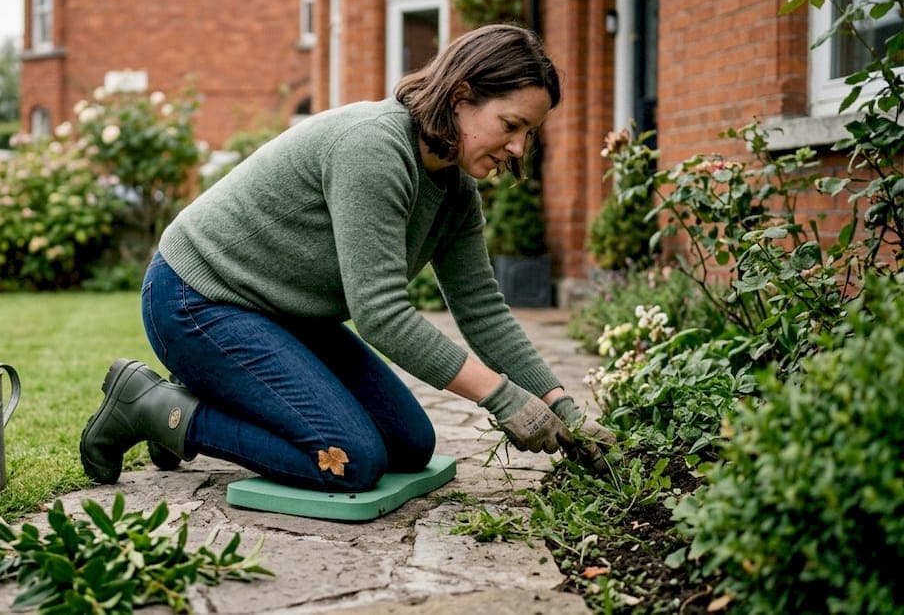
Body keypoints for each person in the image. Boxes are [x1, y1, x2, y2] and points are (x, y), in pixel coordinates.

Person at [80, 24, 615, 492]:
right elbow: (381, 315)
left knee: (409, 444)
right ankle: (152, 407)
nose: (520, 148)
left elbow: (483, 310)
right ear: (461, 96)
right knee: (351, 459)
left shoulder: (455, 191)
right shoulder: (375, 148)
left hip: (281, 315)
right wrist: (502, 398)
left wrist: (563, 408)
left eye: (530, 133)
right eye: (511, 124)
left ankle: (213, 395)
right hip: (196, 299)